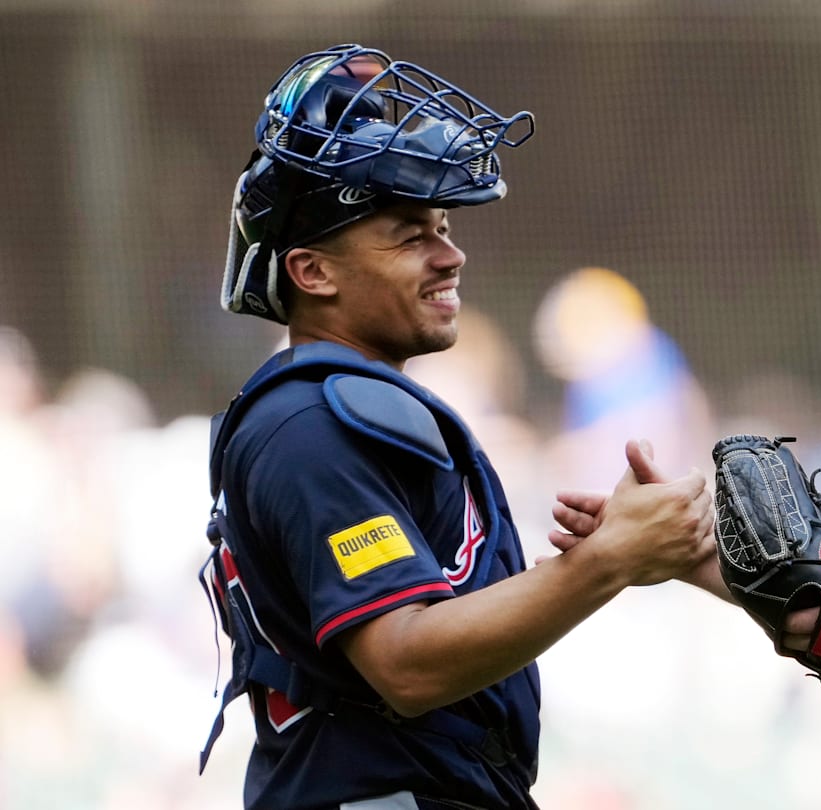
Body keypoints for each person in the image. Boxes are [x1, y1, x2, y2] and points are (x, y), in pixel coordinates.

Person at [197, 44, 714, 810]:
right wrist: (606, 561)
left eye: (443, 226)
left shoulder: (345, 410)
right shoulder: (311, 427)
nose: (452, 254)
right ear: (313, 272)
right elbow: (407, 666)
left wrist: (607, 554)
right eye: (412, 234)